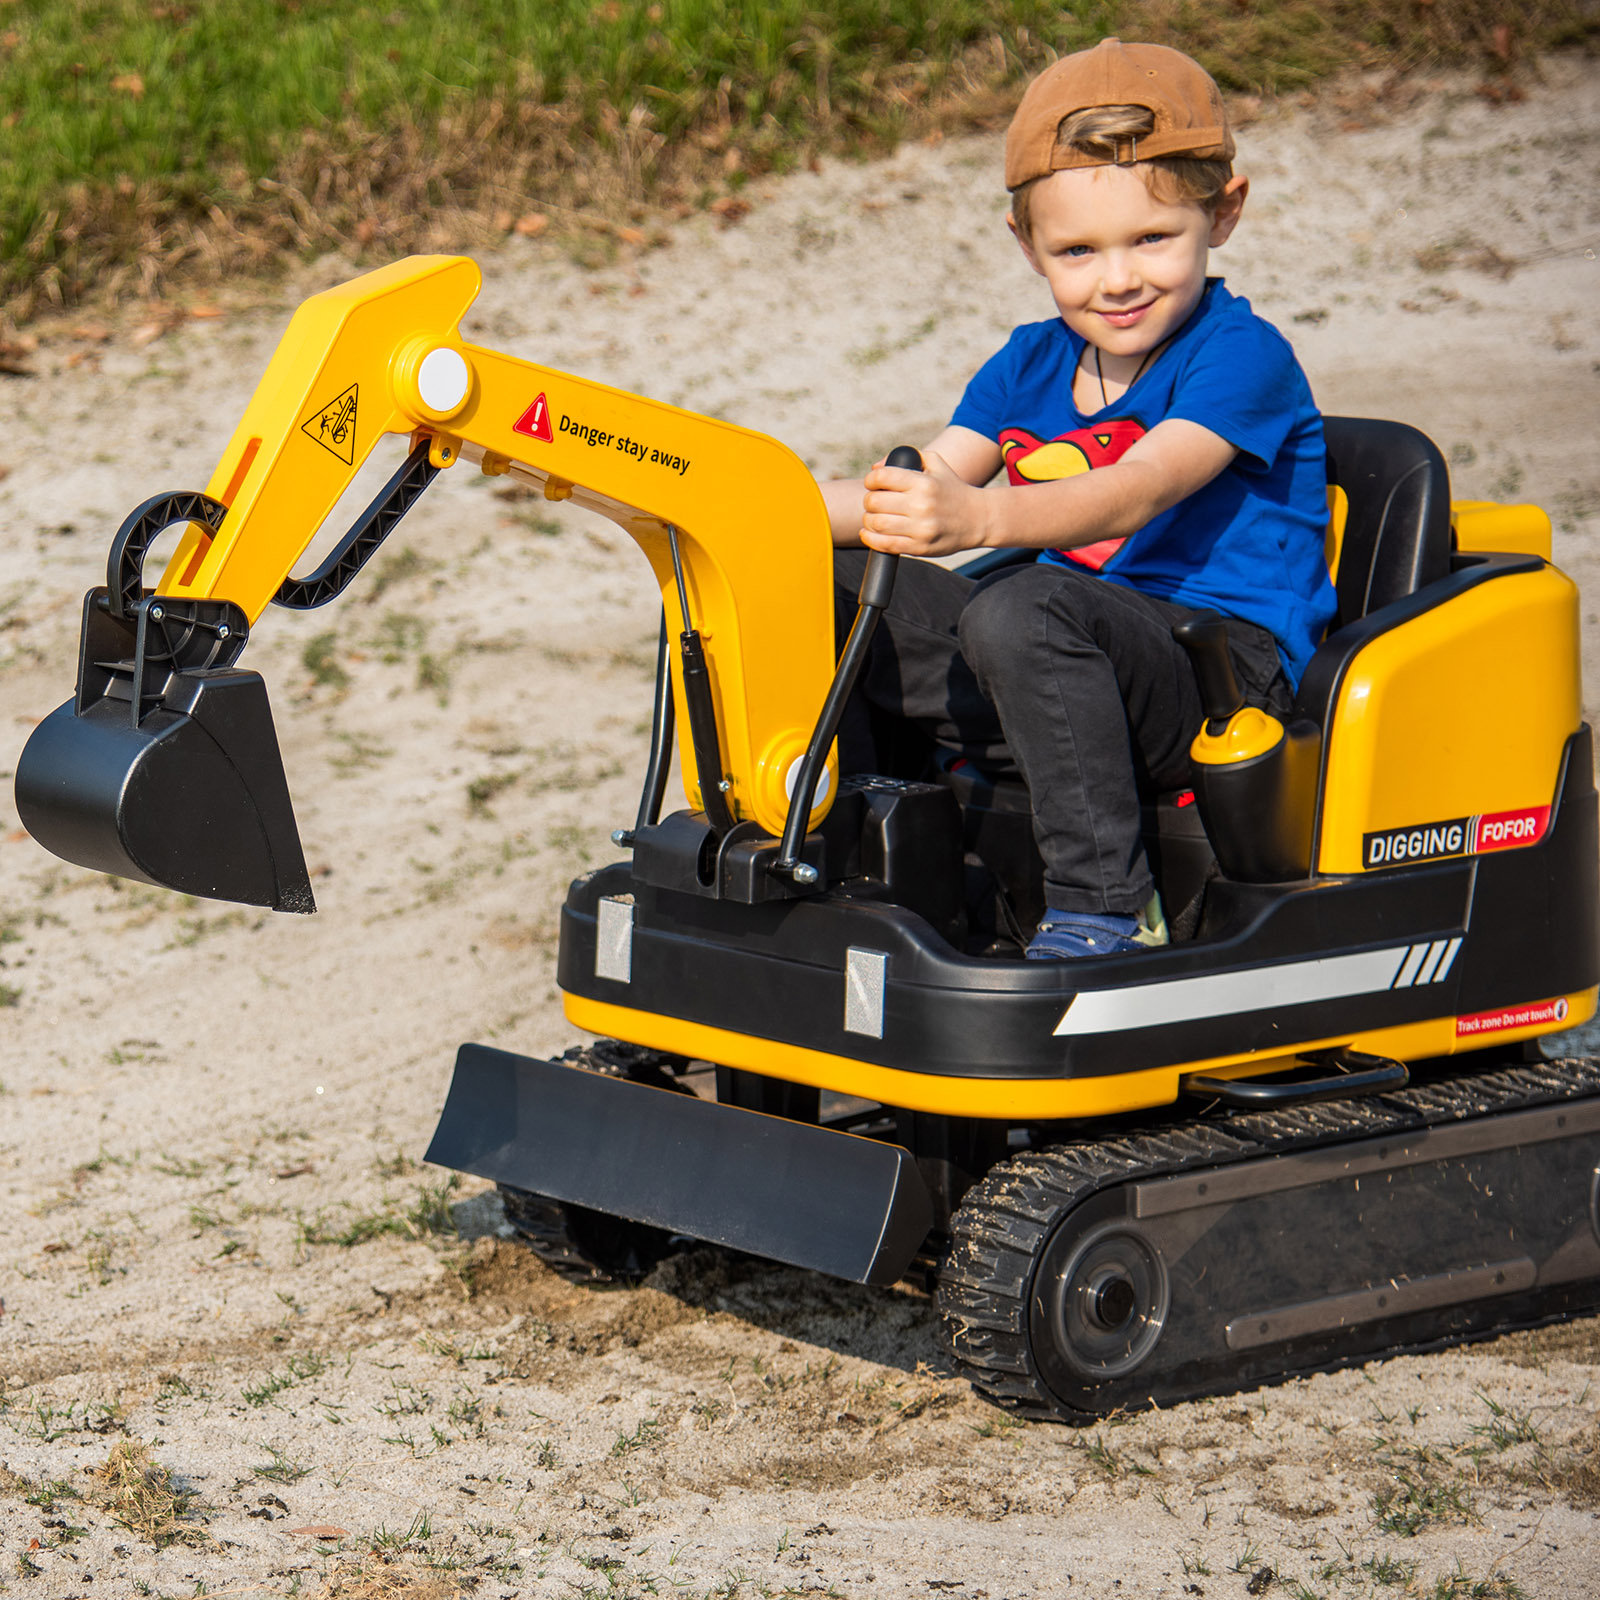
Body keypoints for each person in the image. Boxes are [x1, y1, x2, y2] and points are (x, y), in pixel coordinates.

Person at [819, 37, 1336, 959]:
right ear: (1028, 247)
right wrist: (739, 514)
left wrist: (983, 519)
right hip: (1054, 653)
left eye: (1152, 238)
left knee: (1023, 603)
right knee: (836, 577)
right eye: (1078, 250)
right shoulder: (1029, 361)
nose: (1119, 278)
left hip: (1216, 675)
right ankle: (851, 855)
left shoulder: (1238, 356)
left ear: (1224, 215)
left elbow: (1140, 488)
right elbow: (920, 488)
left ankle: (1104, 910)